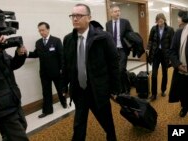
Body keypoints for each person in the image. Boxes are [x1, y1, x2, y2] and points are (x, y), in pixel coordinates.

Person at [62, 3, 120, 141]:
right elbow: (66, 65)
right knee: (79, 125)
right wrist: (64, 86)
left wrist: (115, 89)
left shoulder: (103, 38)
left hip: (98, 90)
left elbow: (113, 64)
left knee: (106, 121)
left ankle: (111, 137)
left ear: (89, 18)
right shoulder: (68, 40)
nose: (75, 19)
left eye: (79, 15)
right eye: (73, 16)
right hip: (79, 90)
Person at [26, 22, 67, 118]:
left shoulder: (56, 41)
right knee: (46, 92)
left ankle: (63, 102)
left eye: (43, 30)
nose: (41, 32)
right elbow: (36, 54)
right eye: (39, 30)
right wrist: (26, 53)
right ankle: (48, 110)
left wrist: (63, 69)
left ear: (48, 29)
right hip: (44, 73)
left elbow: (61, 56)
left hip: (57, 71)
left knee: (60, 89)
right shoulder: (38, 42)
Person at [106, 4, 133, 94]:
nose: (118, 13)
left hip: (122, 49)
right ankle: (123, 87)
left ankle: (125, 89)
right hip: (113, 50)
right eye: (115, 11)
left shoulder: (125, 22)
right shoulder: (108, 24)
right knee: (117, 70)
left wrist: (131, 46)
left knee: (121, 69)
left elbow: (131, 34)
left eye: (119, 11)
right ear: (111, 13)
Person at [147, 13, 174, 101]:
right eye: (158, 21)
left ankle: (163, 90)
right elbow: (150, 40)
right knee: (154, 74)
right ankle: (154, 94)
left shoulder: (170, 30)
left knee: (165, 73)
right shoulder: (154, 29)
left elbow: (172, 43)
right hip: (156, 53)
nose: (160, 23)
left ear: (164, 20)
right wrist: (148, 48)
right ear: (156, 21)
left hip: (165, 54)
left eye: (161, 21)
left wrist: (171, 56)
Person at [168, 10, 188, 117]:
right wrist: (178, 65)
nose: (177, 19)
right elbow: (172, 51)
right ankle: (184, 107)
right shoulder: (178, 32)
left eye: (178, 17)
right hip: (181, 70)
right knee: (183, 90)